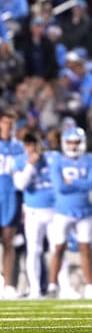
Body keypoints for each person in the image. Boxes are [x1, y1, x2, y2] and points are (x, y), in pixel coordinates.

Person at [47, 127, 92, 299]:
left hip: (85, 210)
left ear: (82, 142)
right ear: (64, 143)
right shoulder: (58, 160)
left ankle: (90, 286)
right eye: (70, 142)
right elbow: (60, 187)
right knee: (59, 248)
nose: (73, 145)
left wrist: (72, 182)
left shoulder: (90, 159)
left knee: (86, 248)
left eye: (76, 142)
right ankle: (53, 285)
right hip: (63, 211)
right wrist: (80, 183)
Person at [12, 132, 55, 299]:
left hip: (53, 210)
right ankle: (35, 289)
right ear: (25, 147)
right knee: (34, 250)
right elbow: (20, 184)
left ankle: (62, 287)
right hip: (33, 210)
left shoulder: (51, 157)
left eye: (34, 145)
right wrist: (30, 166)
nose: (32, 149)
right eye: (29, 145)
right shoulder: (20, 161)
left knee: (57, 248)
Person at [0, 109, 23, 299]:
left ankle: (9, 284)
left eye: (11, 123)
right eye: (5, 122)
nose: (8, 126)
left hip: (11, 196)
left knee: (8, 241)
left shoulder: (19, 148)